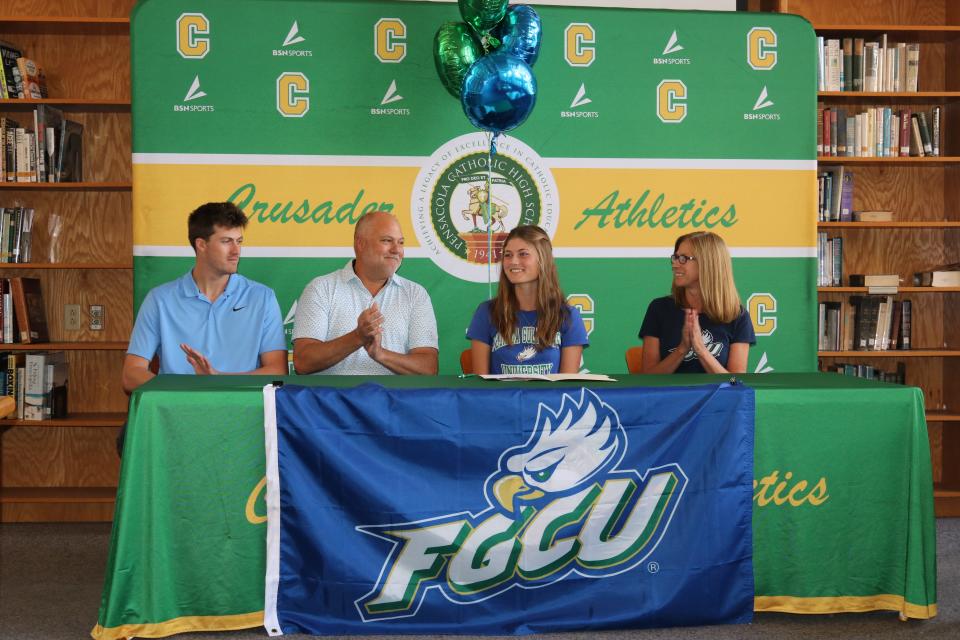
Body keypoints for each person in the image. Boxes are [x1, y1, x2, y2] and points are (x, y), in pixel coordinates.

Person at [121, 202, 288, 393]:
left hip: (242, 413)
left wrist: (217, 379)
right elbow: (131, 374)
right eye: (226, 241)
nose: (236, 251)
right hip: (178, 413)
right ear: (201, 244)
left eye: (239, 241)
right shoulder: (160, 299)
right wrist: (186, 391)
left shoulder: (263, 297)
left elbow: (277, 371)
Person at [292, 210, 438, 375]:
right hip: (334, 399)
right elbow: (303, 362)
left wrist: (380, 354)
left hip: (394, 400)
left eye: (401, 242)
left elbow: (428, 368)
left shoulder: (415, 294)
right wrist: (357, 337)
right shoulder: (321, 289)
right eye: (387, 241)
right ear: (360, 244)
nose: (397, 250)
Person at [467, 225, 588, 375]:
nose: (513, 261)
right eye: (508, 255)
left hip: (549, 399)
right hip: (501, 398)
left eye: (523, 254)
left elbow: (566, 387)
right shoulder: (487, 312)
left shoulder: (568, 316)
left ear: (543, 259)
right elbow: (481, 386)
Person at [638, 231, 755, 374]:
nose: (675, 264)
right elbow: (648, 378)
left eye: (683, 258)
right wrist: (682, 349)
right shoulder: (659, 309)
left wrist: (700, 349)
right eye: (675, 257)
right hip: (670, 396)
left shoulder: (737, 316)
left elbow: (735, 383)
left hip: (717, 397)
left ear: (708, 263)